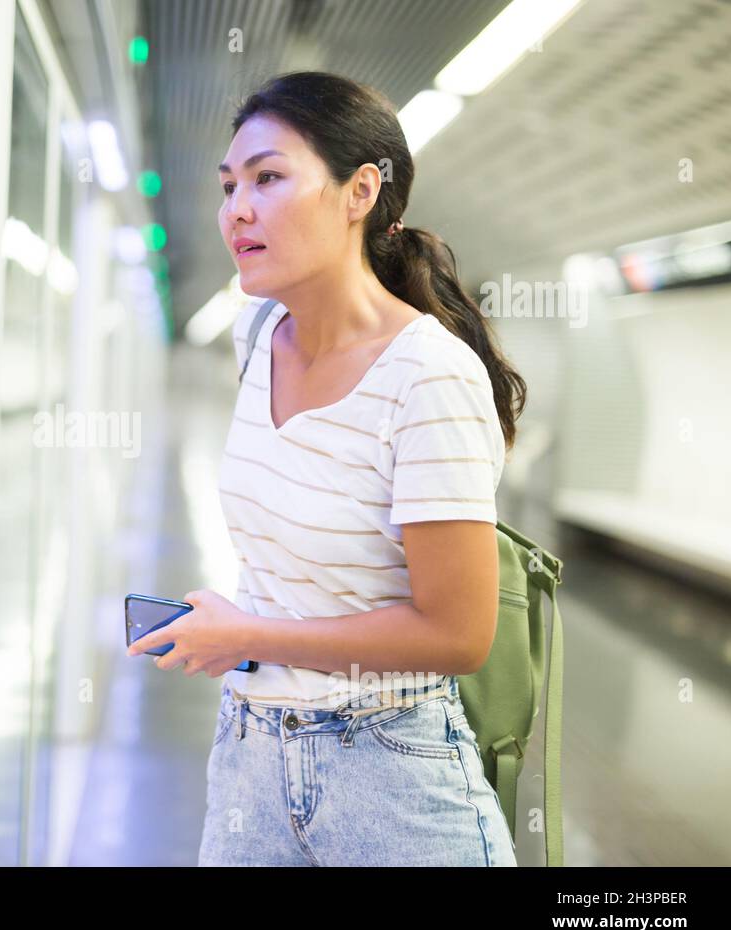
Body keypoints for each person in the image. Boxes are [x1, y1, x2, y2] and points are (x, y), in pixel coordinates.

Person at [126, 71, 528, 865]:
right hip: (249, 757)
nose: (236, 208)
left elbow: (457, 634)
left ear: (360, 192)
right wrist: (242, 633)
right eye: (230, 184)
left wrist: (243, 632)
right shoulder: (257, 336)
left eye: (269, 178)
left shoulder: (429, 377)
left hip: (392, 779)